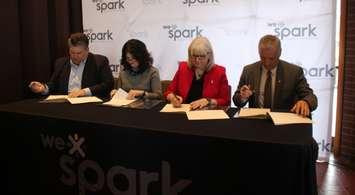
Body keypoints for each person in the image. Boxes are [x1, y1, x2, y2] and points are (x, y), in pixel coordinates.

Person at [233, 34, 317, 117]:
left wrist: (305, 102)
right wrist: (242, 97)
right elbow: (237, 101)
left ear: (280, 52)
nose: (267, 63)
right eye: (262, 57)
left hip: (283, 123)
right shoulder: (249, 71)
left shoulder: (294, 72)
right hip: (256, 122)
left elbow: (310, 96)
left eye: (271, 58)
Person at [29, 32, 114, 98]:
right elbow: (54, 84)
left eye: (79, 53)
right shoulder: (60, 63)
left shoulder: (99, 61)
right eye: (72, 52)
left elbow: (107, 84)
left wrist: (84, 92)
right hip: (65, 104)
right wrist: (43, 88)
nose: (75, 56)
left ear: (87, 50)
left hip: (89, 105)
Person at [164, 36, 230, 110]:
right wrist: (173, 98)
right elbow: (169, 92)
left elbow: (225, 101)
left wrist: (209, 101)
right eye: (194, 56)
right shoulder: (183, 67)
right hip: (184, 113)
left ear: (209, 55)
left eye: (201, 56)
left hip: (207, 116)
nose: (197, 60)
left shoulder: (219, 72)